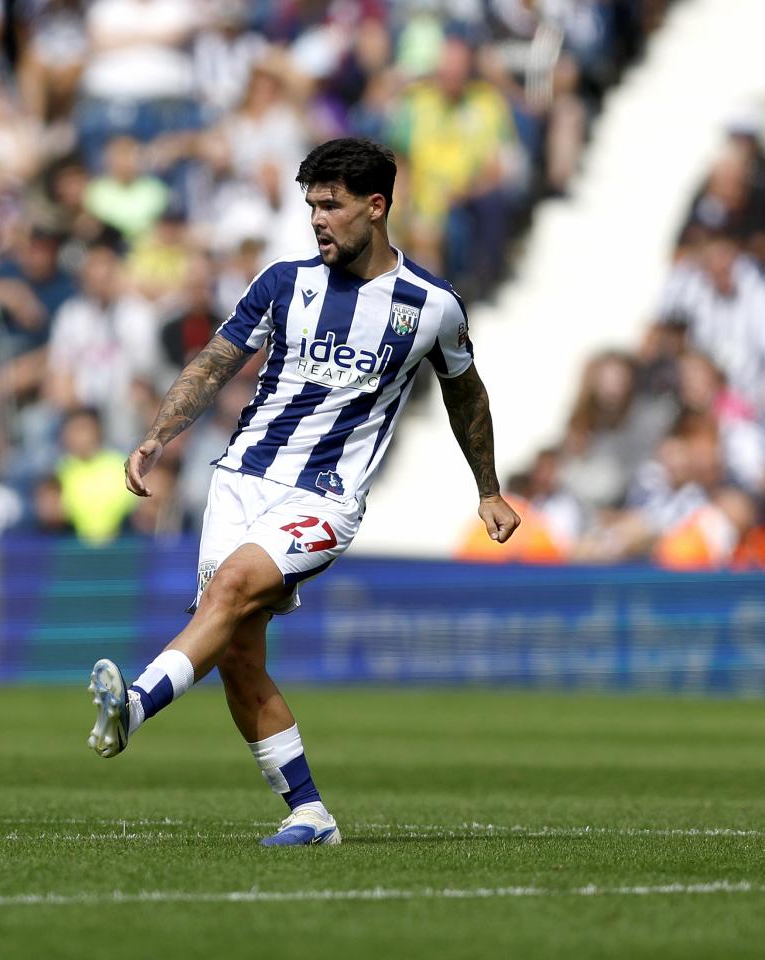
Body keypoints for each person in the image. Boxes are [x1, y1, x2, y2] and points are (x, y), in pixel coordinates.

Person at [85, 138, 521, 846]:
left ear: (375, 207)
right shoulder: (284, 284)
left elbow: (466, 395)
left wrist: (489, 490)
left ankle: (132, 706)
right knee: (237, 657)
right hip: (240, 482)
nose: (318, 220)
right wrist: (158, 436)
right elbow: (214, 363)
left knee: (228, 591)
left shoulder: (431, 306)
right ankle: (310, 813)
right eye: (311, 205)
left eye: (332, 205)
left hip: (324, 498)